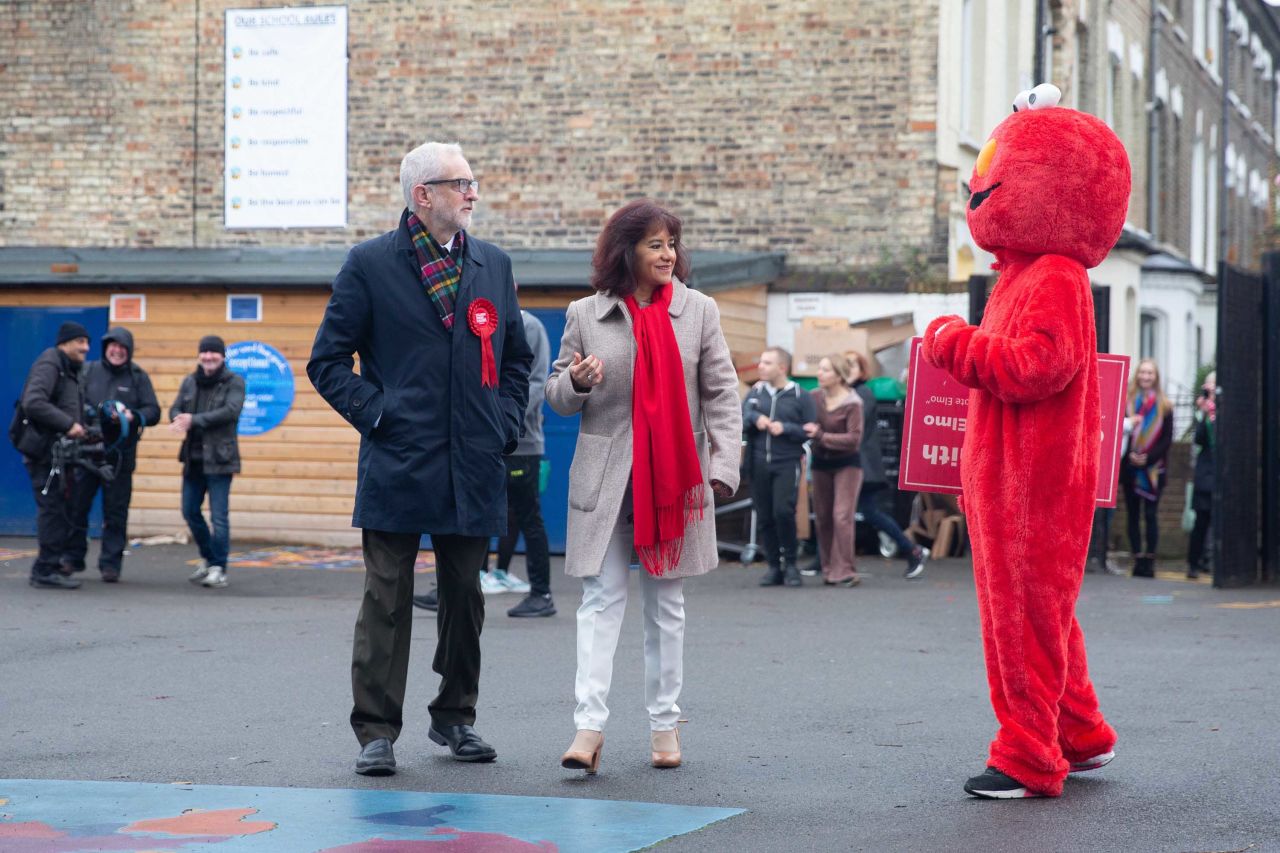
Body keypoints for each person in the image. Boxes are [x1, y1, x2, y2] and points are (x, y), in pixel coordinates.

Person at [923, 86, 1124, 798]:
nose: (982, 187)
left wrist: (954, 343)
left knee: (1020, 617)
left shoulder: (1057, 277)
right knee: (1047, 614)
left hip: (1032, 479)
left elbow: (1035, 366)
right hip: (1013, 474)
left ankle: (1029, 753)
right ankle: (1081, 732)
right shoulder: (1025, 274)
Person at [308, 141, 532, 777]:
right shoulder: (370, 264)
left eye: (472, 181)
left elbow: (516, 359)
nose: (472, 193)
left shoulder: (492, 262)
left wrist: (505, 421)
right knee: (387, 596)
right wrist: (380, 415)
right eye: (459, 183)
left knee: (466, 596)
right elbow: (327, 362)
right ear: (421, 195)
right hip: (399, 459)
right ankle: (376, 730)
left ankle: (456, 717)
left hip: (474, 459)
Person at [547, 199, 740, 774]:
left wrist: (724, 465)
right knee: (600, 601)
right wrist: (575, 383)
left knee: (667, 608)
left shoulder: (699, 311)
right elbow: (555, 396)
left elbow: (723, 395)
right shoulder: (585, 314)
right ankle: (588, 727)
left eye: (672, 244)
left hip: (675, 479)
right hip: (607, 478)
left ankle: (664, 726)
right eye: (655, 244)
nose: (667, 254)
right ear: (626, 250)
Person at [65, 327, 160, 583]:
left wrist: (133, 416)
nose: (117, 351)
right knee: (77, 507)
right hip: (87, 453)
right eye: (112, 346)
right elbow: (72, 400)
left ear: (128, 351)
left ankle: (111, 564)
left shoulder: (138, 376)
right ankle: (72, 558)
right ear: (106, 348)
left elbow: (153, 411)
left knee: (116, 513)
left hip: (120, 456)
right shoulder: (88, 371)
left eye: (122, 347)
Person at [15, 322, 90, 589]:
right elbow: (33, 402)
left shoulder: (69, 368)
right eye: (80, 342)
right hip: (44, 455)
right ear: (65, 343)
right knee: (52, 510)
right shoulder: (50, 365)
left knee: (61, 509)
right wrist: (68, 425)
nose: (86, 348)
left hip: (59, 455)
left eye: (87, 342)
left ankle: (53, 561)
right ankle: (43, 571)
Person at [169, 335, 245, 590]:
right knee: (190, 511)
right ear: (199, 355)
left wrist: (194, 420)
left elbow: (230, 411)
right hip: (193, 459)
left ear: (222, 357)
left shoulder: (234, 382)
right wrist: (178, 419)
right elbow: (175, 408)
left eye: (214, 353)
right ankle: (209, 558)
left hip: (220, 459)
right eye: (205, 353)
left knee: (219, 518)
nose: (209, 357)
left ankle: (219, 569)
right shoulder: (190, 381)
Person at [846, 350, 930, 579]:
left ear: (862, 372)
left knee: (866, 512)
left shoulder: (861, 394)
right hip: (856, 463)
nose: (846, 371)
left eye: (851, 366)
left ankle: (911, 549)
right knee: (850, 512)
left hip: (862, 466)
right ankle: (825, 559)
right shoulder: (852, 393)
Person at [499, 309, 556, 617]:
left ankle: (541, 594)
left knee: (528, 518)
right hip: (484, 443)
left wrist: (502, 419)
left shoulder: (529, 326)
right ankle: (452, 589)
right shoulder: (482, 318)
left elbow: (536, 384)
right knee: (470, 512)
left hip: (522, 444)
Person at [743, 347, 816, 587]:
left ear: (782, 368)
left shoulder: (800, 396)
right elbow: (742, 418)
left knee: (783, 512)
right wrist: (756, 419)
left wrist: (785, 428)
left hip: (787, 462)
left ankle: (791, 564)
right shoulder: (755, 393)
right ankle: (774, 567)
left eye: (767, 363)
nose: (761, 366)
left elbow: (810, 431)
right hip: (758, 463)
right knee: (764, 516)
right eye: (761, 361)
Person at [803, 355, 864, 586]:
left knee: (841, 516)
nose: (819, 373)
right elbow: (802, 417)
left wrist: (821, 436)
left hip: (847, 463)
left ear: (838, 376)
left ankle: (846, 570)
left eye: (825, 370)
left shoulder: (853, 403)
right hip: (821, 463)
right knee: (823, 517)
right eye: (819, 369)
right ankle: (829, 569)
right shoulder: (814, 397)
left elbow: (854, 439)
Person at [1119, 358, 1173, 579]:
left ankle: (1149, 560)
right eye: (1142, 372)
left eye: (1150, 373)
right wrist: (1132, 457)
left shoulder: (1165, 406)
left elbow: (1166, 440)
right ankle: (1137, 559)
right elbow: (1119, 432)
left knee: (1150, 515)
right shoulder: (1127, 403)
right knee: (1132, 515)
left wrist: (1148, 458)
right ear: (1137, 375)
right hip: (1130, 467)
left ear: (1156, 377)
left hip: (1153, 470)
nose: (1146, 377)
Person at [1186, 371, 1216, 580]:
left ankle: (1214, 561)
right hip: (1206, 474)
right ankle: (1193, 563)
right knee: (1201, 522)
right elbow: (1199, 440)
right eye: (1209, 385)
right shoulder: (1202, 413)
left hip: (1223, 475)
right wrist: (1204, 413)